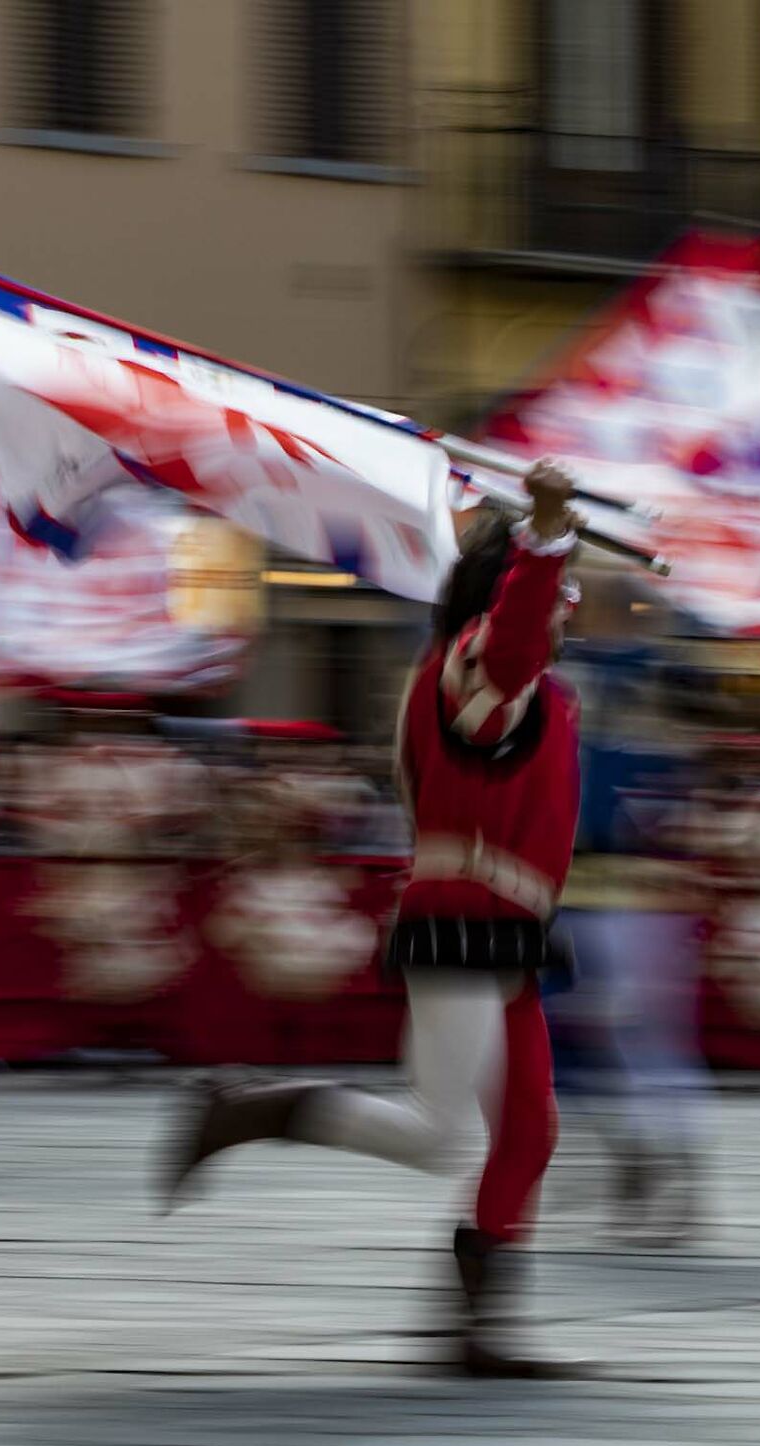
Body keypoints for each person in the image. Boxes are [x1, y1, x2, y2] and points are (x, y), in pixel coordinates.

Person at [158, 461, 586, 1377]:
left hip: (503, 928)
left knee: (530, 1131)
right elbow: (513, 643)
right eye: (561, 586)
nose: (572, 602)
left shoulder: (518, 682)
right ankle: (249, 1109)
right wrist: (547, 536)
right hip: (466, 918)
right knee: (438, 1137)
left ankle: (476, 1330)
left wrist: (546, 544)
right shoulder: (481, 662)